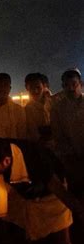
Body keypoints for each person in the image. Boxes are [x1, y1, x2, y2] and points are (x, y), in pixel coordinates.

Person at [0, 136, 81, 244]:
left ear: (6, 161)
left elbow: (56, 188)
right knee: (21, 242)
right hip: (28, 197)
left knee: (63, 241)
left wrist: (78, 210)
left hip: (53, 196)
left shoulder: (36, 159)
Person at [50, 68, 84, 197]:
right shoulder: (57, 109)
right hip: (71, 160)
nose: (71, 88)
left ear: (80, 84)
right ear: (63, 87)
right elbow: (58, 136)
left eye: (74, 84)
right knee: (76, 195)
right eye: (66, 85)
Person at [24, 72, 52, 144]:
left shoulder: (53, 102)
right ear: (27, 88)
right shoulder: (28, 109)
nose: (35, 91)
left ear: (44, 86)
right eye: (31, 88)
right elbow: (33, 132)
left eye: (38, 87)